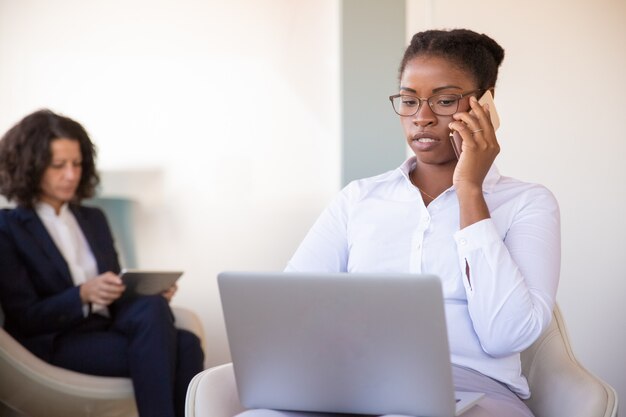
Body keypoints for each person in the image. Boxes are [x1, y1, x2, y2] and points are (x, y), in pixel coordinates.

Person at [238, 29, 561, 417]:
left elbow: (505, 335)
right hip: (353, 382)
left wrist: (470, 190)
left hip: (472, 389)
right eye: (409, 101)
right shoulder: (358, 199)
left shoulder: (527, 203)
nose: (421, 118)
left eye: (443, 101)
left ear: (486, 103)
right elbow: (289, 308)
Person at [0, 109, 204, 417]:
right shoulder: (8, 228)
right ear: (31, 167)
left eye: (77, 163)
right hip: (55, 340)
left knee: (158, 313)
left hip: (106, 327)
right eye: (58, 165)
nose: (71, 174)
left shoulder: (93, 219)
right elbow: (24, 317)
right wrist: (81, 294)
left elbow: (114, 287)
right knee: (182, 346)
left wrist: (144, 292)